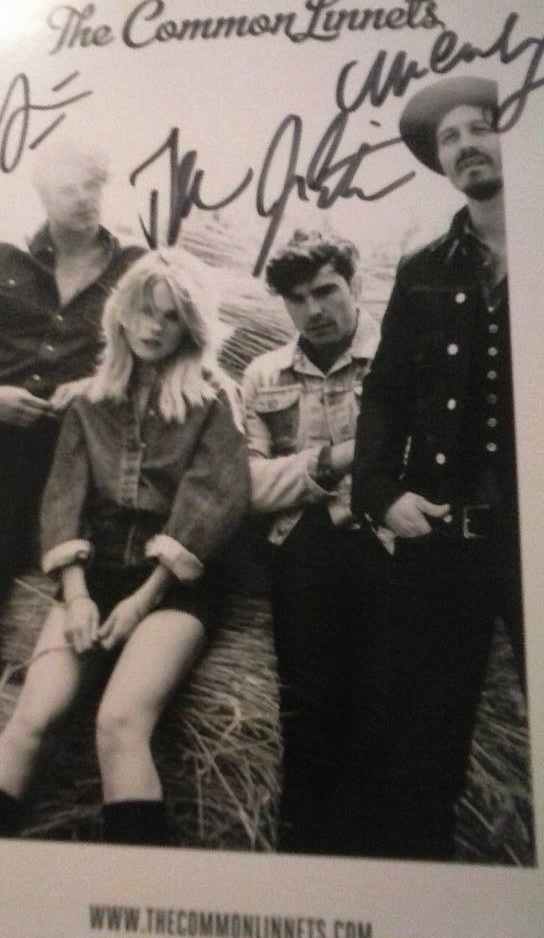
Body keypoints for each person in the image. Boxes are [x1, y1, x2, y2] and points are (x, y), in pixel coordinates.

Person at [0, 248, 250, 844]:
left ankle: (137, 878)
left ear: (191, 325)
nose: (153, 328)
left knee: (119, 722)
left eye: (170, 316)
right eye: (144, 311)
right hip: (93, 574)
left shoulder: (215, 398)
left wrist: (141, 601)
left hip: (170, 586)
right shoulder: (90, 399)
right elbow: (63, 500)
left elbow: (211, 504)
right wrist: (78, 594)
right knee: (32, 718)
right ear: (121, 314)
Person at [352, 76, 526, 860]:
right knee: (422, 752)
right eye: (449, 138)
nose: (465, 146)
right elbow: (385, 394)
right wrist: (380, 492)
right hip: (444, 537)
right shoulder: (424, 268)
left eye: (481, 126)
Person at [0, 143, 144, 673]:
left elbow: (160, 355)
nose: (85, 198)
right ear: (42, 195)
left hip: (71, 444)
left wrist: (95, 384)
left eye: (93, 186)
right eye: (69, 188)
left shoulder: (134, 267)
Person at [242, 231, 391, 854]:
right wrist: (340, 459)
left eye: (326, 291)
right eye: (297, 299)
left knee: (385, 713)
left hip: (391, 539)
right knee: (307, 714)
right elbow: (250, 488)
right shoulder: (263, 374)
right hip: (302, 544)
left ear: (355, 285)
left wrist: (299, 473)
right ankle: (305, 860)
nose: (314, 310)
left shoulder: (398, 357)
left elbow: (420, 462)